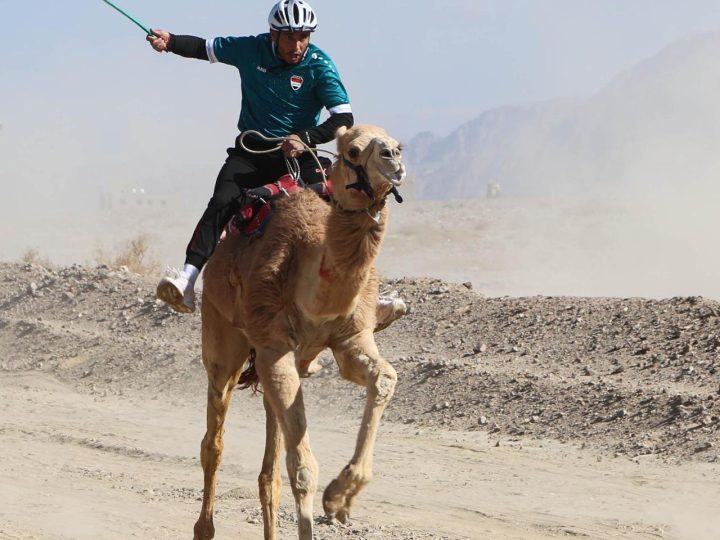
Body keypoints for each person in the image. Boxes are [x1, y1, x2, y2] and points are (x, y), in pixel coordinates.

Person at [148, 0, 405, 327]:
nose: (296, 45)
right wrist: (169, 41)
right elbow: (203, 47)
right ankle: (187, 279)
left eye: (303, 36)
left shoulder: (319, 65)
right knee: (222, 200)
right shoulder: (251, 49)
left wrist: (305, 137)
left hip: (298, 155)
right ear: (274, 34)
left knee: (345, 207)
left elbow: (343, 117)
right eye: (289, 37)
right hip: (252, 152)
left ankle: (370, 295)